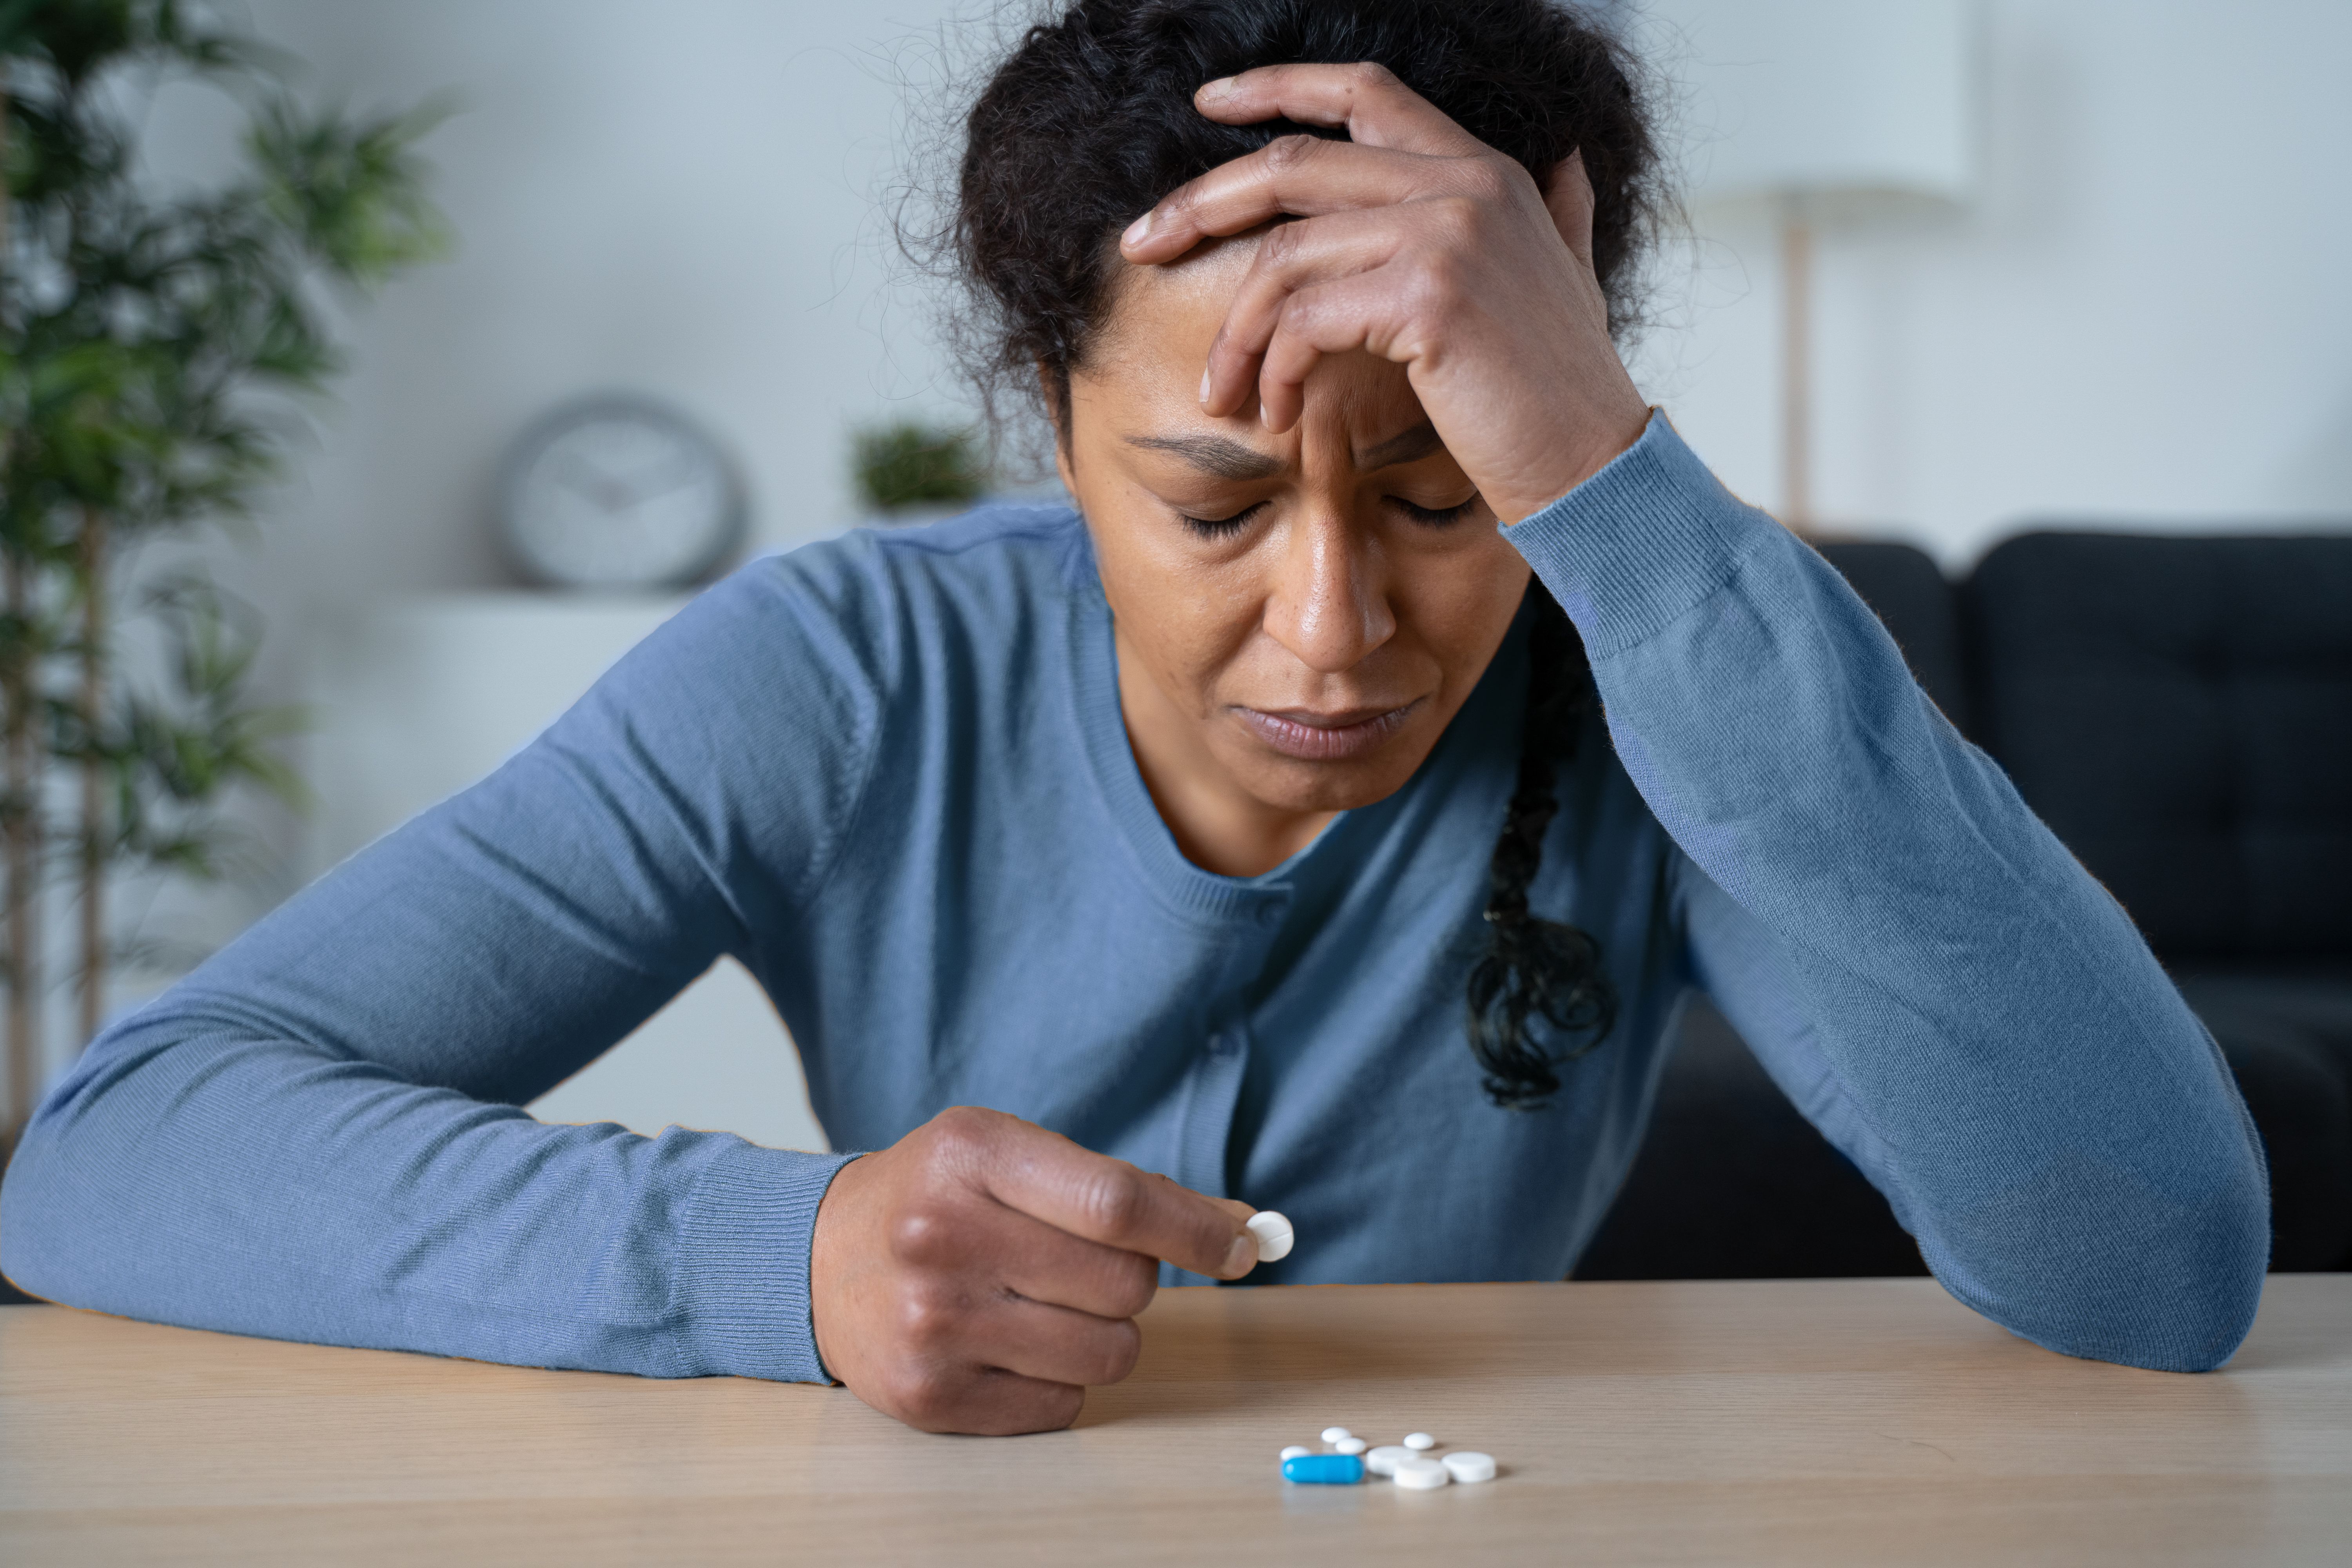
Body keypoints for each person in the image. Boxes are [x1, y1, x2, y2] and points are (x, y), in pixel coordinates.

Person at [0, 0, 2267, 1436]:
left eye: (1442, 495)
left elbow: (2155, 1269)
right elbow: (124, 1144)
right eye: (1210, 502)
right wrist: (765, 1259)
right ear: (1052, 434)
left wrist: (1610, 482)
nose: (1333, 631)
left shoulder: (1676, 684)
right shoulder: (837, 673)